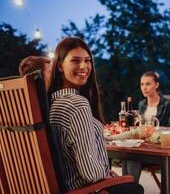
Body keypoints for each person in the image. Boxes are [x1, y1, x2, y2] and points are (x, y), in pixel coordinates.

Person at [48, 37, 144, 194]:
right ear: (59, 65)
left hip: (68, 186)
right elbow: (90, 173)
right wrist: (104, 174)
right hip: (84, 190)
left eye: (87, 60)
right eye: (75, 60)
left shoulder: (52, 103)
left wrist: (104, 173)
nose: (84, 66)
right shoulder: (77, 104)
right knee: (133, 187)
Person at [122, 71, 170, 182]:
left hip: (158, 150)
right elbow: (138, 126)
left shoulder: (168, 104)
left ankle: (131, 189)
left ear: (156, 85)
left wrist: (153, 131)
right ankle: (128, 188)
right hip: (143, 147)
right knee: (126, 157)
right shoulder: (142, 104)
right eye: (142, 84)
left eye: (148, 84)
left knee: (132, 158)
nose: (144, 88)